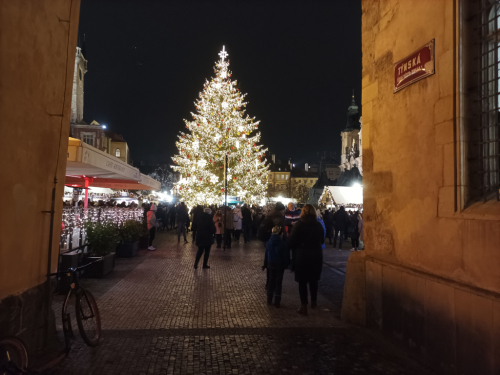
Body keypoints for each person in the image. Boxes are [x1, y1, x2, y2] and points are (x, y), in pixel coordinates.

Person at [288, 204, 324, 316]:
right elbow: (322, 240)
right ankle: (314, 302)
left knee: (302, 282)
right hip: (316, 255)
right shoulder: (318, 225)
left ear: (303, 212)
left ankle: (304, 306)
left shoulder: (299, 225)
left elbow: (291, 241)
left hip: (302, 255)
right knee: (314, 280)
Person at [263, 225, 290, 308]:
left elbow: (266, 255)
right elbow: (286, 256)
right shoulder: (282, 243)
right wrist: (287, 264)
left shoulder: (269, 242)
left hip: (271, 264)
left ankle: (269, 300)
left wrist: (265, 264)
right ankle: (277, 301)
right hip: (279, 265)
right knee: (278, 283)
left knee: (271, 281)